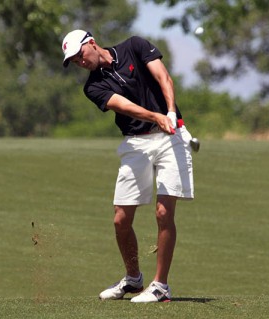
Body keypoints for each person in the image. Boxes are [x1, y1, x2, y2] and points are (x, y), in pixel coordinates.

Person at [61, 29, 195, 303]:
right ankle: (134, 279)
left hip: (172, 138)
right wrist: (155, 116)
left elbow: (163, 77)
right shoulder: (92, 87)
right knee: (121, 220)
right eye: (74, 61)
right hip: (135, 144)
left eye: (80, 55)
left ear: (92, 44)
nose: (80, 62)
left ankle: (161, 286)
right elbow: (123, 106)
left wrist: (169, 111)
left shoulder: (134, 46)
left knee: (163, 212)